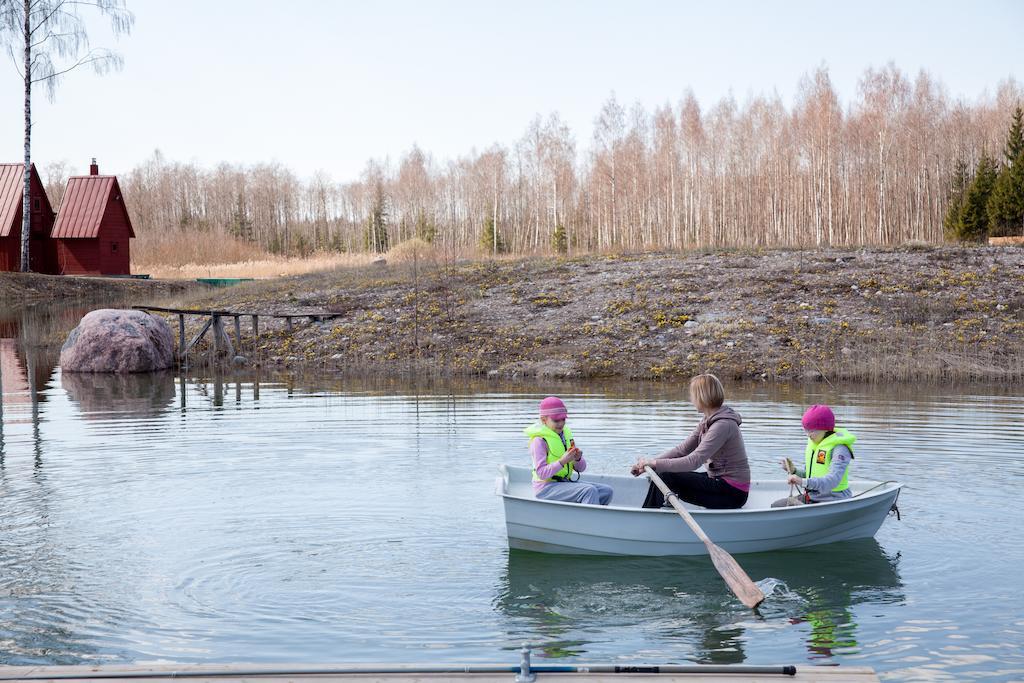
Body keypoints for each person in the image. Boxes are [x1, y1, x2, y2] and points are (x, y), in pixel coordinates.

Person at [630, 374, 750, 510]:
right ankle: (652, 513)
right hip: (719, 482)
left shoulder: (723, 425)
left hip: (733, 493)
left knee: (666, 477)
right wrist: (649, 464)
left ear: (701, 396)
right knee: (662, 474)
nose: (691, 399)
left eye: (692, 395)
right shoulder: (708, 420)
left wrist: (656, 464)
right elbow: (682, 450)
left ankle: (648, 518)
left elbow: (694, 461)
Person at [526, 396, 613, 506]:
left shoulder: (566, 436)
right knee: (589, 491)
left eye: (563, 419)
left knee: (606, 491)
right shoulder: (539, 441)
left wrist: (578, 459)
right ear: (544, 420)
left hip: (564, 483)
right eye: (556, 420)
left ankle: (591, 518)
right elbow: (542, 474)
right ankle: (589, 522)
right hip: (545, 488)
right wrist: (562, 462)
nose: (561, 423)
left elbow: (581, 468)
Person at [773, 404, 855, 507]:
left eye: (811, 431)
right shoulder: (816, 443)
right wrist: (794, 471)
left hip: (833, 500)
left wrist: (802, 481)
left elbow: (833, 480)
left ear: (825, 428)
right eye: (806, 430)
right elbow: (811, 475)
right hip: (813, 497)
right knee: (776, 506)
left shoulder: (840, 449)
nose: (808, 434)